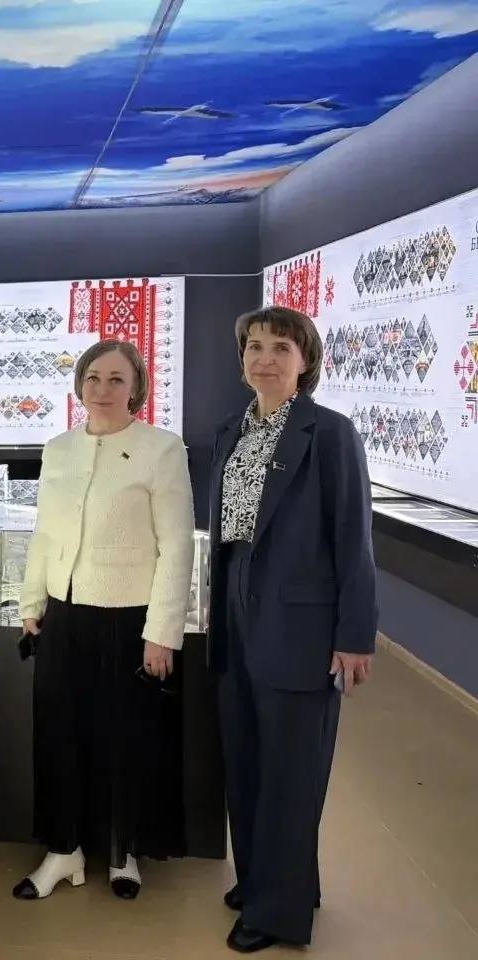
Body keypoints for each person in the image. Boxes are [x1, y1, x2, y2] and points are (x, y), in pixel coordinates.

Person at [209, 306, 376, 953]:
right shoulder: (233, 430)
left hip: (300, 624)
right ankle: (265, 880)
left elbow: (353, 541)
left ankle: (277, 913)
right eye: (254, 346)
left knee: (291, 771)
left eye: (282, 347)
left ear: (305, 361)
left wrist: (355, 635)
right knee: (246, 757)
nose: (265, 359)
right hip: (237, 610)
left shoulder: (329, 434)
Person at [14, 339, 194, 903]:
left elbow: (177, 545)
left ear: (136, 387)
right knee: (58, 734)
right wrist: (31, 603)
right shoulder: (58, 449)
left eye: (117, 379)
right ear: (80, 384)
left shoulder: (161, 449)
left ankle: (122, 850)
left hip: (129, 618)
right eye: (94, 377)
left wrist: (162, 632)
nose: (103, 389)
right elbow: (44, 532)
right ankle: (63, 850)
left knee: (124, 738)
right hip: (64, 613)